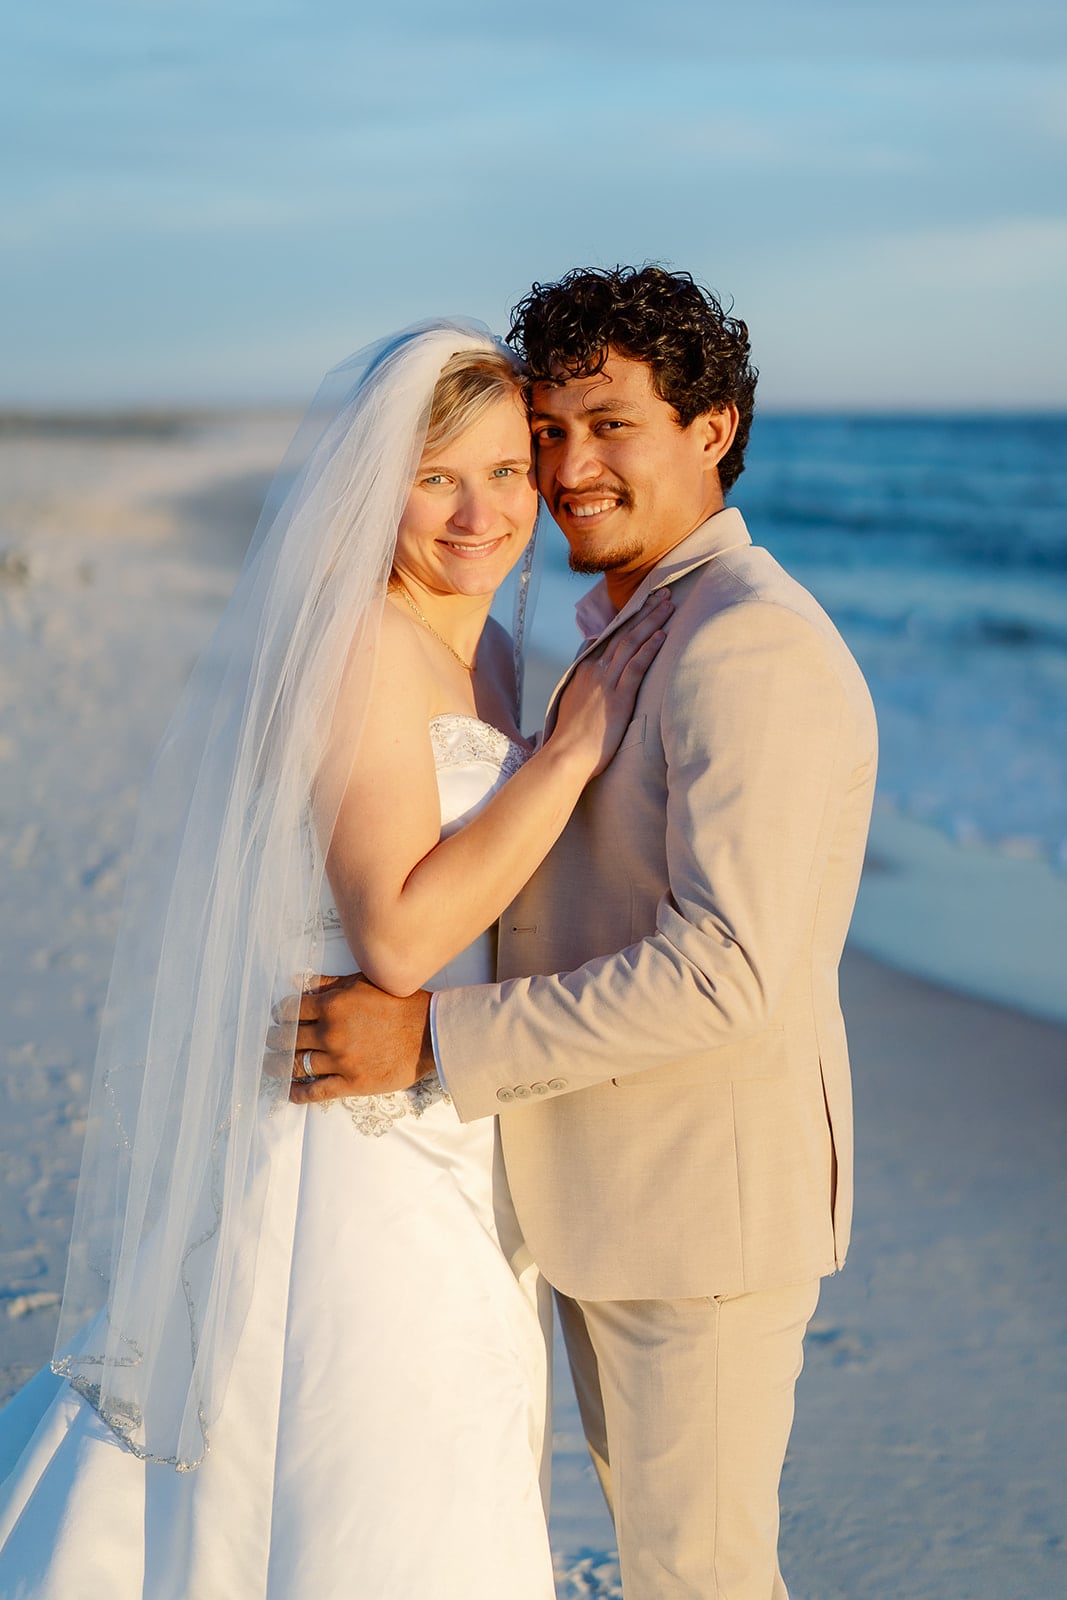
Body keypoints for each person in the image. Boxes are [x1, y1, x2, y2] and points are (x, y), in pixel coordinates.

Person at [0, 320, 669, 1598]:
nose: (479, 512)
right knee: (376, 1476)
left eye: (505, 473)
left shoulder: (487, 651)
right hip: (355, 1146)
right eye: (435, 479)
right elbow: (401, 936)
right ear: (375, 489)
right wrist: (572, 753)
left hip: (451, 1116)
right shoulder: (363, 642)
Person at [280, 267, 880, 1600]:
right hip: (605, 1192)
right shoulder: (626, 623)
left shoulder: (747, 647)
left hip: (698, 1218)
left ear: (710, 427)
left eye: (610, 426)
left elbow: (724, 974)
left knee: (698, 1578)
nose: (565, 471)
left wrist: (428, 1041)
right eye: (546, 434)